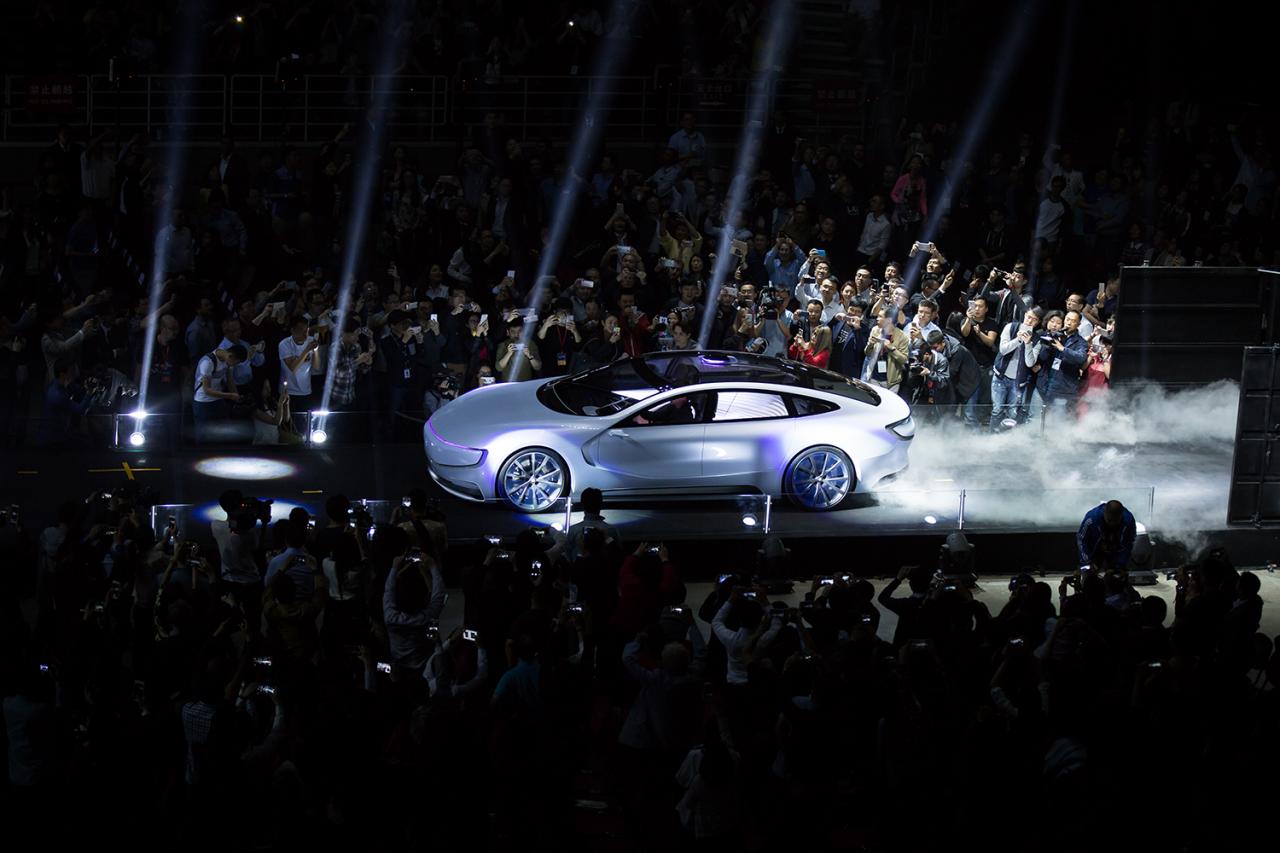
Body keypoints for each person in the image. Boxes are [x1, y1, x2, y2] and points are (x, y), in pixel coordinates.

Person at [990, 307, 1043, 430]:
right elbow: (1003, 350)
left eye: (1034, 319)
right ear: (1024, 315)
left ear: (1038, 322)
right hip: (1000, 377)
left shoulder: (1036, 340)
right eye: (1028, 317)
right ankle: (992, 436)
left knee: (1013, 413)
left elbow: (1030, 363)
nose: (1030, 321)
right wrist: (1018, 340)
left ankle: (1008, 438)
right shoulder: (1011, 327)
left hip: (1018, 382)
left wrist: (1028, 344)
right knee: (997, 410)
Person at [192, 345, 246, 443]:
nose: (234, 365)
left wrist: (236, 395)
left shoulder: (227, 362)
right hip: (203, 403)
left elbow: (230, 380)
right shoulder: (207, 362)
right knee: (203, 437)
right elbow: (207, 390)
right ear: (230, 356)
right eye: (236, 363)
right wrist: (230, 395)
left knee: (223, 434)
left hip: (218, 400)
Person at [1077, 500, 1137, 571]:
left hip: (1116, 550)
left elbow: (1129, 542)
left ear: (1121, 515)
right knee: (1088, 573)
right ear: (1104, 513)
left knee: (1118, 574)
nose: (1112, 524)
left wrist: (1120, 564)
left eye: (1115, 521)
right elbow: (1081, 539)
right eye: (1109, 520)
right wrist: (1086, 562)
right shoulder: (1092, 518)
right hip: (1094, 551)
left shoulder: (1129, 520)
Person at [565, 487, 619, 562]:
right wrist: (608, 539)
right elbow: (617, 554)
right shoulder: (611, 530)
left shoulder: (573, 530)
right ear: (601, 504)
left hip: (580, 568)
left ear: (582, 504)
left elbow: (568, 556)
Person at [863, 308, 909, 392]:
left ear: (889, 320)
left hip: (891, 382)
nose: (877, 319)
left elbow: (904, 360)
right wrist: (870, 344)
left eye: (880, 316)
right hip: (873, 377)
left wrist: (891, 348)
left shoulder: (902, 337)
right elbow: (867, 353)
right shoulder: (875, 330)